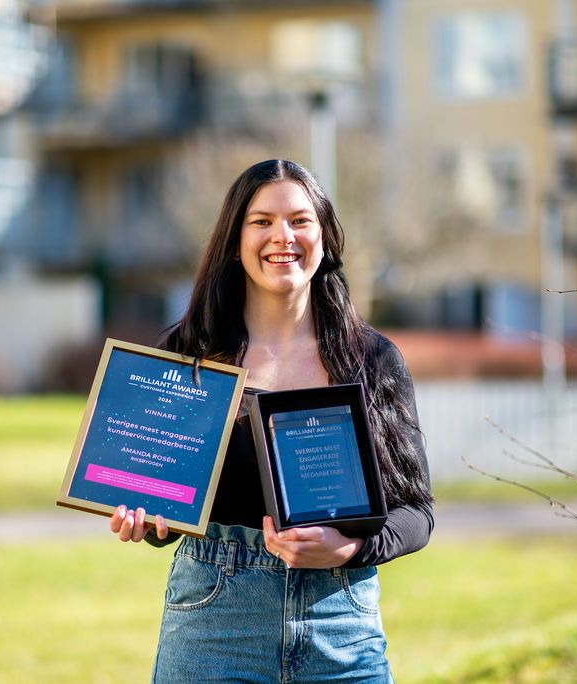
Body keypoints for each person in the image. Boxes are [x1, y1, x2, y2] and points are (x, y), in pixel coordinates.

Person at [108, 159, 433, 683]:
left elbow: (417, 512)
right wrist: (147, 521)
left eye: (300, 220)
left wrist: (350, 548)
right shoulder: (189, 355)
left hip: (340, 624)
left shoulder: (370, 359)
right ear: (235, 241)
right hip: (213, 624)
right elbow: (166, 500)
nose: (283, 235)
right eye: (261, 221)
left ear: (325, 237)